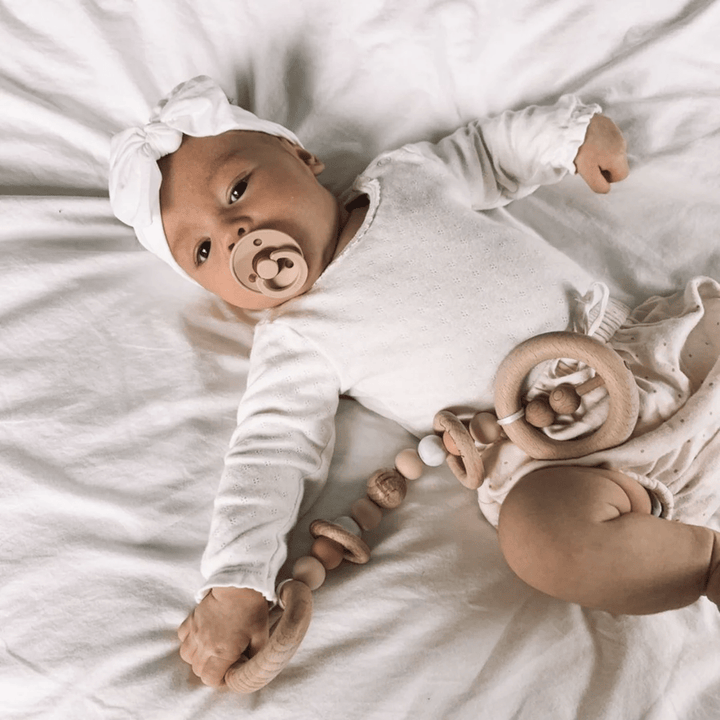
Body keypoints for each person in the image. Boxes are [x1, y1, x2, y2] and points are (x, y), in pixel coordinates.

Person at [109, 75, 720, 688]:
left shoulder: (402, 180)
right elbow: (267, 451)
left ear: (302, 157)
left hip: (637, 359)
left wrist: (571, 136)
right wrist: (236, 581)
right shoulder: (296, 338)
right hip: (551, 467)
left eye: (237, 189)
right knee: (537, 541)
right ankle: (706, 564)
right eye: (205, 252)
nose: (236, 231)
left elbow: (488, 154)